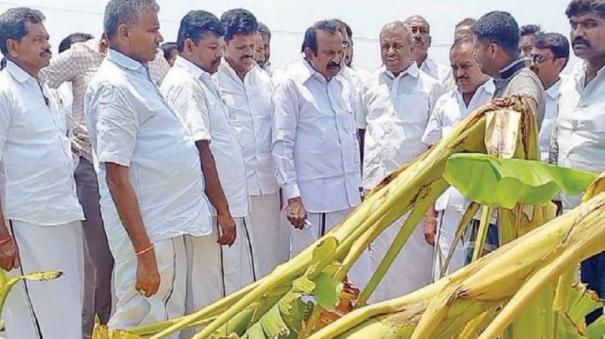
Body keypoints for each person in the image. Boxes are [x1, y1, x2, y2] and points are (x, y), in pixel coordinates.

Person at [85, 0, 214, 330]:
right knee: (141, 320)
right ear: (125, 32)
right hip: (148, 233)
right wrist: (144, 253)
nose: (160, 38)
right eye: (153, 29)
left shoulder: (138, 76)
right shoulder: (114, 86)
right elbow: (116, 176)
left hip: (163, 226)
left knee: (163, 318)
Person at [0, 7, 85, 338]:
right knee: (33, 317)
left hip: (62, 214)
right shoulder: (5, 91)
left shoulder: (45, 89)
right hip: (27, 223)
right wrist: (3, 237)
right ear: (12, 47)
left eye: (47, 38)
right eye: (37, 39)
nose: (47, 45)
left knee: (65, 310)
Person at [162, 9, 255, 309]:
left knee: (224, 287)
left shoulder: (203, 80)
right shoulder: (185, 84)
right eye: (212, 48)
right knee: (215, 294)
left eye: (220, 47)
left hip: (222, 206)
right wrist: (222, 210)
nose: (219, 55)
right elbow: (200, 151)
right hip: (213, 211)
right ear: (189, 46)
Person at [272, 20, 365, 286]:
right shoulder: (291, 84)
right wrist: (293, 197)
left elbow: (349, 140)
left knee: (348, 277)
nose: (337, 59)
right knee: (313, 282)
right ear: (309, 53)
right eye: (329, 53)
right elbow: (281, 143)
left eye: (341, 51)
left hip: (347, 201)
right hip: (314, 205)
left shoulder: (343, 84)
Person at [359, 21, 441, 302]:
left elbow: (436, 148)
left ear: (412, 47)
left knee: (411, 271)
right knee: (373, 269)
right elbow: (360, 135)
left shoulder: (431, 88)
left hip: (413, 196)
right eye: (385, 46)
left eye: (397, 45)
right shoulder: (369, 84)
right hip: (374, 195)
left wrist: (430, 209)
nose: (390, 52)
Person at [214, 9, 288, 278]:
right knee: (233, 267)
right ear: (224, 44)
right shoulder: (212, 82)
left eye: (253, 46)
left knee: (267, 262)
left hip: (266, 190)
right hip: (230, 192)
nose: (249, 53)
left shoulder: (266, 82)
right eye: (241, 47)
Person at [422, 36, 494, 278]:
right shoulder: (445, 103)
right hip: (448, 211)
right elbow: (431, 161)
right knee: (442, 282)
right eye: (454, 67)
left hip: (484, 215)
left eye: (466, 66)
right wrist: (429, 215)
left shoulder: (496, 99)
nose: (459, 73)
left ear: (480, 63)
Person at [552, 0, 605, 322]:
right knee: (575, 312)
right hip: (570, 221)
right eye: (574, 25)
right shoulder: (569, 83)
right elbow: (560, 146)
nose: (578, 32)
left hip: (602, 224)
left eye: (590, 24)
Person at [472, 11, 546, 128]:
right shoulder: (506, 79)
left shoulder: (523, 81)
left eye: (476, 48)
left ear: (493, 50)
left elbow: (525, 106)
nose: (474, 55)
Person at [529, 32, 570, 161]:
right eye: (531, 57)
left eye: (538, 59)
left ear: (559, 63)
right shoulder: (524, 93)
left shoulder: (568, 99)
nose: (532, 64)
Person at [404, 15, 450, 83]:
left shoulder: (444, 74)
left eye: (423, 31)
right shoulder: (389, 74)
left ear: (429, 41)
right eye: (413, 30)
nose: (418, 35)